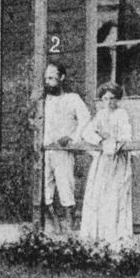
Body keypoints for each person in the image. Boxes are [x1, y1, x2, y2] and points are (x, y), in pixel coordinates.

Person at [80, 82, 133, 246]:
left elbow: (126, 136)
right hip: (102, 161)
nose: (109, 102)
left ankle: (116, 235)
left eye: (112, 98)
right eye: (105, 98)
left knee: (116, 195)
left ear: (118, 99)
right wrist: (101, 139)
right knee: (98, 194)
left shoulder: (122, 114)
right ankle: (98, 233)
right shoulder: (100, 115)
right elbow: (87, 132)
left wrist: (112, 139)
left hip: (118, 161)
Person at [42, 62, 91, 234]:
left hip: (63, 151)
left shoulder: (72, 99)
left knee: (66, 186)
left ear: (62, 77)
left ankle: (69, 225)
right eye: (46, 78)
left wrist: (72, 138)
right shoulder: (44, 101)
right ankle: (54, 223)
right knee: (45, 187)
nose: (48, 81)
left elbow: (85, 119)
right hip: (44, 149)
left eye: (51, 78)